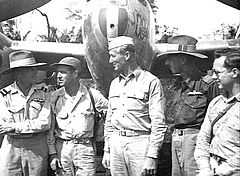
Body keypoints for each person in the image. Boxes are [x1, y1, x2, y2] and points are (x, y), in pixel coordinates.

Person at [102, 36, 167, 176]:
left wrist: (152, 156)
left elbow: (158, 122)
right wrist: (107, 150)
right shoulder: (114, 84)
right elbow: (109, 121)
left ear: (126, 55)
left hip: (140, 143)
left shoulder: (151, 82)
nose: (110, 61)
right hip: (116, 144)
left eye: (113, 56)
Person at [156, 35, 220, 176]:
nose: (167, 63)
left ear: (183, 59)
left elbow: (218, 122)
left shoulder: (209, 85)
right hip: (175, 140)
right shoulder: (174, 86)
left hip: (197, 143)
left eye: (171, 58)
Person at [49, 57, 108, 176]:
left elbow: (112, 116)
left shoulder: (92, 95)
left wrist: (106, 145)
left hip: (85, 148)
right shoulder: (54, 97)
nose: (58, 76)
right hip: (62, 148)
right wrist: (53, 154)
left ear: (75, 74)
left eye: (63, 72)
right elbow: (50, 129)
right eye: (58, 72)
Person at [0, 50, 53, 176]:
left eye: (34, 69)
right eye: (31, 69)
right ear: (18, 73)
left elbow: (44, 123)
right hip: (12, 147)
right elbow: (4, 125)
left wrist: (15, 126)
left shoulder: (44, 94)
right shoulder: (3, 95)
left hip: (37, 148)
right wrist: (28, 126)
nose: (35, 72)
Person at [194, 51, 240, 176]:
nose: (214, 77)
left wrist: (223, 170)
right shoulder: (216, 103)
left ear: (234, 73)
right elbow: (203, 139)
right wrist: (205, 167)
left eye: (218, 73)